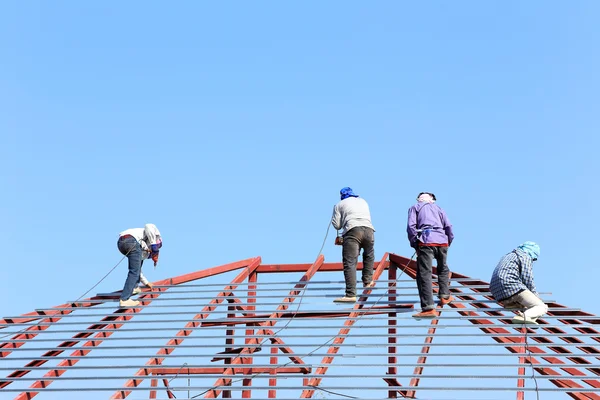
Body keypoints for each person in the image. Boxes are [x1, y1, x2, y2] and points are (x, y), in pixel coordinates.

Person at [407, 192, 454, 318]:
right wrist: (448, 240)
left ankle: (428, 308)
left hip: (426, 241)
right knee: (443, 267)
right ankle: (444, 295)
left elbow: (411, 227)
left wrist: (415, 243)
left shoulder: (415, 207)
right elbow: (448, 226)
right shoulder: (439, 209)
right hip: (442, 240)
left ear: (419, 199)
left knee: (424, 274)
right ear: (432, 200)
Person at [331, 187, 376, 303]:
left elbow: (337, 225)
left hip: (352, 230)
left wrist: (335, 213)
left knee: (350, 262)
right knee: (368, 255)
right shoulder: (363, 201)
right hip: (369, 230)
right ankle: (368, 281)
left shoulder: (340, 204)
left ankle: (350, 294)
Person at [490, 242, 548, 324]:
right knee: (541, 307)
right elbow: (527, 277)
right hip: (511, 285)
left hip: (497, 291)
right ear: (532, 253)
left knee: (524, 305)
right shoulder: (525, 256)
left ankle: (520, 311)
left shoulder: (508, 255)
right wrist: (536, 296)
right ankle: (523, 317)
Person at [117, 223, 162, 307]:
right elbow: (149, 226)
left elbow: (138, 269)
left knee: (135, 269)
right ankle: (124, 299)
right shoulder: (155, 236)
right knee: (134, 272)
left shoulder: (142, 247)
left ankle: (134, 287)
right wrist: (154, 246)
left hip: (122, 243)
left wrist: (146, 283)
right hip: (131, 240)